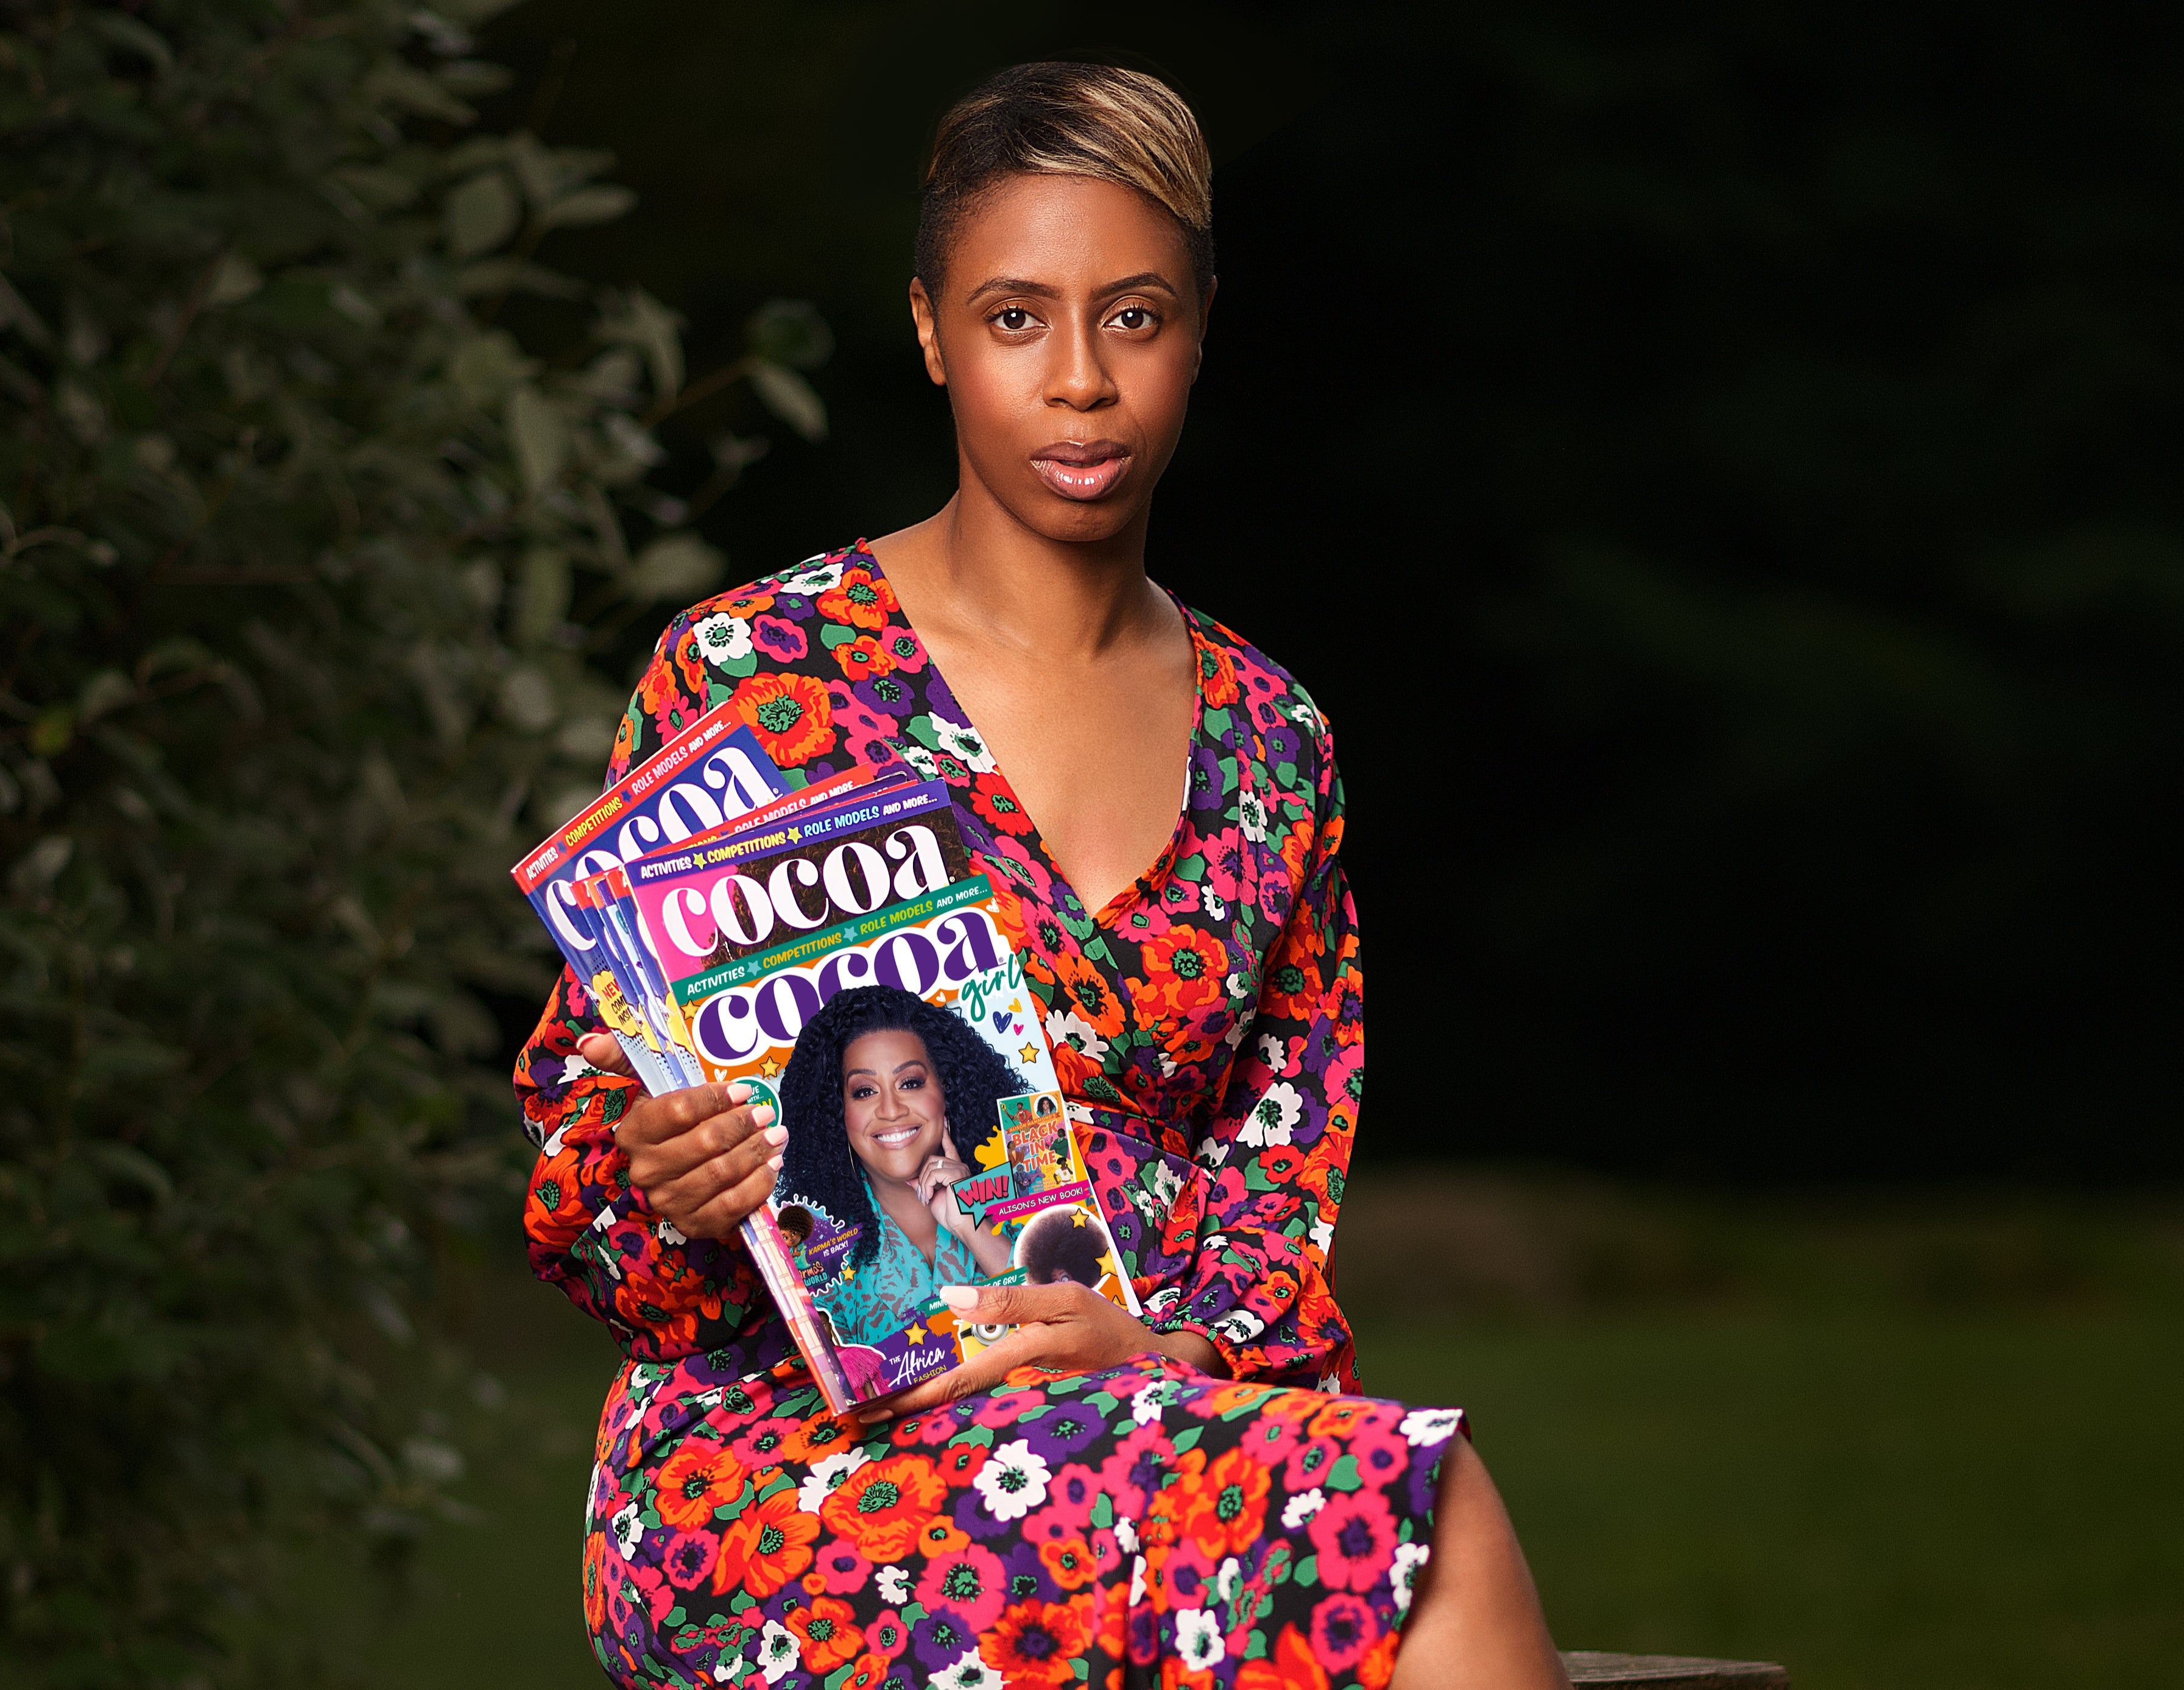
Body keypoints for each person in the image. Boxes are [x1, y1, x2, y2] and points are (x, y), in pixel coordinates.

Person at [513, 62, 1569, 1689]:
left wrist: (1163, 1345)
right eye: (1017, 320)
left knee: (1393, 1511)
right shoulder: (762, 673)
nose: (1080, 381)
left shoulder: (1271, 736)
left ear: (1201, 329)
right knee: (1420, 1510)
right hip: (785, 1461)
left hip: (1153, 1416)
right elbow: (595, 1189)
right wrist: (670, 1173)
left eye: (1132, 319)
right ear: (932, 331)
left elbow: (1273, 1201)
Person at [776, 987, 1022, 1345]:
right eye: (864, 1092)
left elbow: (1068, 1318)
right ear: (836, 1114)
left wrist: (972, 1223)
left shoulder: (1026, 1175)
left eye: (910, 1083)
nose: (891, 1110)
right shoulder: (815, 1250)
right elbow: (848, 1389)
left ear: (946, 1089)